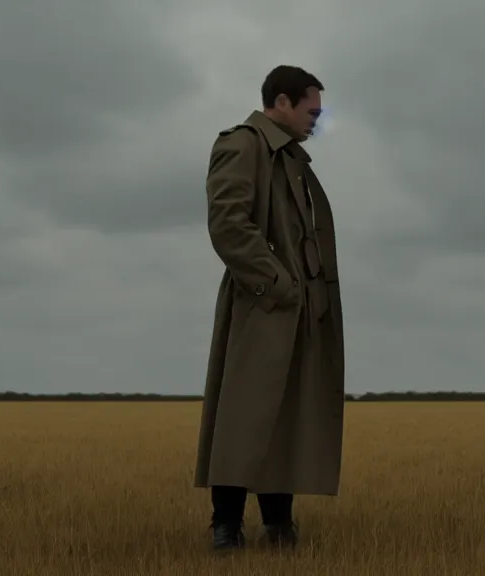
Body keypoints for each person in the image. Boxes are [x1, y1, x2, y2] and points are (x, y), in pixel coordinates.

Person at [193, 65, 346, 551]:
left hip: (295, 306)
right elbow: (228, 226)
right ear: (282, 102)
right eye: (311, 111)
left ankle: (279, 524)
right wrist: (278, 284)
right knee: (245, 414)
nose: (316, 121)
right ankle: (226, 526)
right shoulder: (242, 145)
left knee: (287, 414)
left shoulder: (290, 156)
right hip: (263, 304)